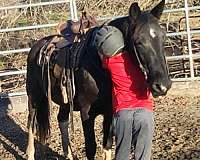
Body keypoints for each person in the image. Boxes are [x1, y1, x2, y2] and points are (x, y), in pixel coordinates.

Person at [94, 25, 154, 160]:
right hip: (145, 111)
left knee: (122, 154)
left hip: (123, 113)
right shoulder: (139, 58)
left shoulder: (109, 62)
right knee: (143, 155)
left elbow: (100, 53)